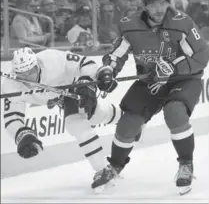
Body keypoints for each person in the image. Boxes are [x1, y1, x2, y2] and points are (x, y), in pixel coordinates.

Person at [91, 0, 209, 195]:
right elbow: (117, 54)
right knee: (128, 124)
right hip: (150, 80)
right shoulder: (130, 25)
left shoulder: (182, 22)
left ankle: (185, 166)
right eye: (153, 4)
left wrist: (173, 67)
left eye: (162, 2)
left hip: (183, 79)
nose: (159, 8)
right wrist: (108, 70)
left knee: (174, 112)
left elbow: (201, 56)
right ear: (144, 5)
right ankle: (115, 165)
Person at [2, 47, 121, 188]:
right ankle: (103, 169)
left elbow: (86, 63)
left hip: (75, 87)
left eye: (31, 72)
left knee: (88, 118)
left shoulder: (52, 58)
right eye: (22, 75)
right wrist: (22, 135)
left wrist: (86, 82)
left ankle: (124, 118)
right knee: (79, 123)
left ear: (37, 65)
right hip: (61, 98)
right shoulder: (11, 86)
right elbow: (11, 117)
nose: (28, 78)